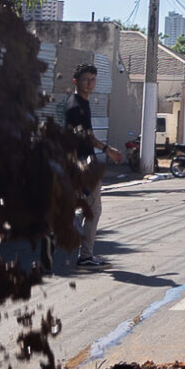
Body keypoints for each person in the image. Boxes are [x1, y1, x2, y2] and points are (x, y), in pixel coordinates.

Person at [62, 66, 104, 267]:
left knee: (89, 208)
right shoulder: (75, 106)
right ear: (75, 81)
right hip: (82, 166)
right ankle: (85, 255)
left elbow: (88, 136)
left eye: (93, 79)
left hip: (88, 164)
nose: (90, 83)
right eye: (86, 79)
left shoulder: (82, 103)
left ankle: (84, 251)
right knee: (93, 210)